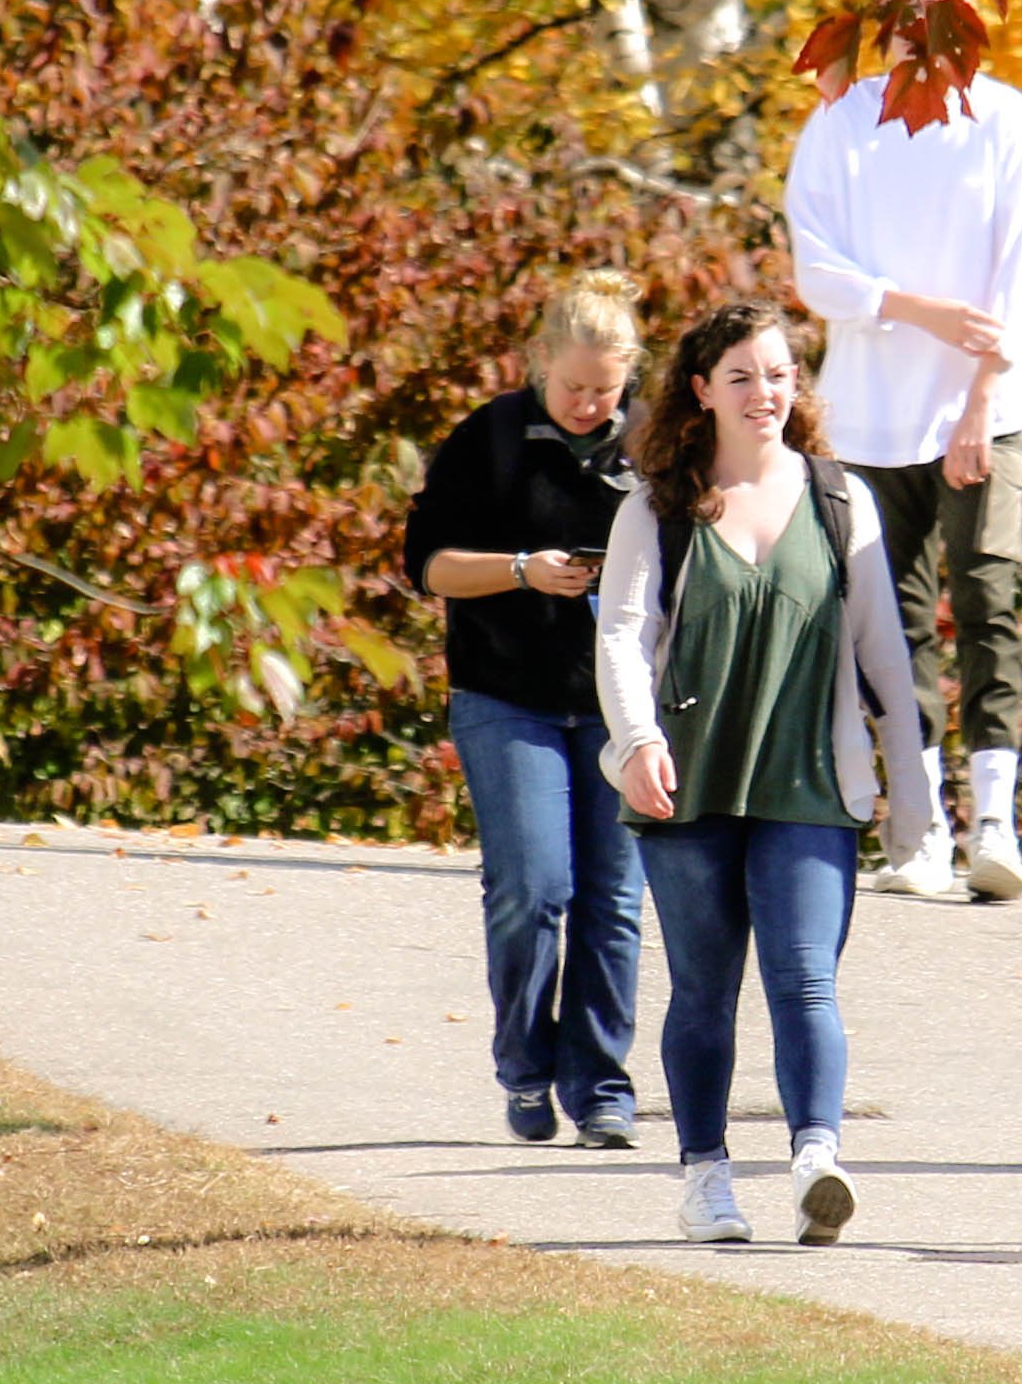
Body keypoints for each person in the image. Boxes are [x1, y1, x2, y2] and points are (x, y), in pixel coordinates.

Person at [591, 300, 941, 1245]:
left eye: (780, 374)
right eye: (742, 376)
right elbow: (622, 635)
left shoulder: (839, 500)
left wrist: (915, 796)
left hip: (809, 782)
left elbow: (884, 656)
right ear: (701, 391)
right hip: (688, 780)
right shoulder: (656, 507)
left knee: (805, 981)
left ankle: (816, 1162)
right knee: (703, 989)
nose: (766, 392)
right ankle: (706, 1177)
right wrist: (635, 742)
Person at [783, 65, 1022, 902]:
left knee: (989, 601)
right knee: (889, 625)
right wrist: (916, 309)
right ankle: (921, 824)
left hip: (988, 410)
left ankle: (996, 826)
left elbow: (1019, 275)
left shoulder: (1008, 116)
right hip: (868, 414)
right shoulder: (841, 118)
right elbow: (815, 274)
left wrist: (980, 397)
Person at [401, 277, 652, 1147]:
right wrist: (521, 568)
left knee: (614, 899)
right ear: (539, 361)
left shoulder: (656, 444)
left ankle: (601, 1087)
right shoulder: (490, 440)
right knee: (534, 888)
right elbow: (428, 566)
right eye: (574, 386)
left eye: (606, 390)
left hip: (622, 708)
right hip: (506, 696)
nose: (589, 405)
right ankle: (525, 1067)